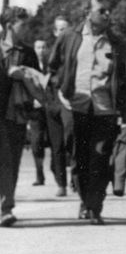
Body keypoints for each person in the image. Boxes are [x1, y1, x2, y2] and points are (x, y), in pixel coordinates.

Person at [47, 0, 126, 225]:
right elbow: (53, 67)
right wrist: (60, 92)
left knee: (100, 159)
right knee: (79, 159)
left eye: (108, 10)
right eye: (101, 10)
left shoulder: (116, 43)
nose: (107, 14)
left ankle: (95, 207)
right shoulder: (69, 37)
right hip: (76, 108)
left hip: (105, 110)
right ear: (87, 13)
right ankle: (85, 201)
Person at [0, 7, 41, 226]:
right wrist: (8, 75)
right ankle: (4, 208)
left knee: (12, 161)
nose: (26, 29)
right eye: (22, 25)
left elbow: (37, 81)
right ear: (9, 26)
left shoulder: (28, 52)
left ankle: (5, 207)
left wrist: (25, 77)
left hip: (18, 113)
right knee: (4, 160)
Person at [45, 14, 75, 197]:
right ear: (55, 32)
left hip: (68, 103)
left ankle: (75, 179)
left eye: (66, 28)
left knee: (70, 140)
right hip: (51, 102)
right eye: (60, 29)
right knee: (56, 145)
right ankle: (61, 183)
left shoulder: (73, 53)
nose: (63, 32)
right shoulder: (49, 54)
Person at [28, 38, 51, 186]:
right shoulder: (30, 66)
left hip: (50, 108)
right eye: (38, 47)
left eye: (43, 47)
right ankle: (39, 173)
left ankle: (57, 171)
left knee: (56, 143)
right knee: (36, 143)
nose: (40, 50)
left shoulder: (51, 66)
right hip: (35, 111)